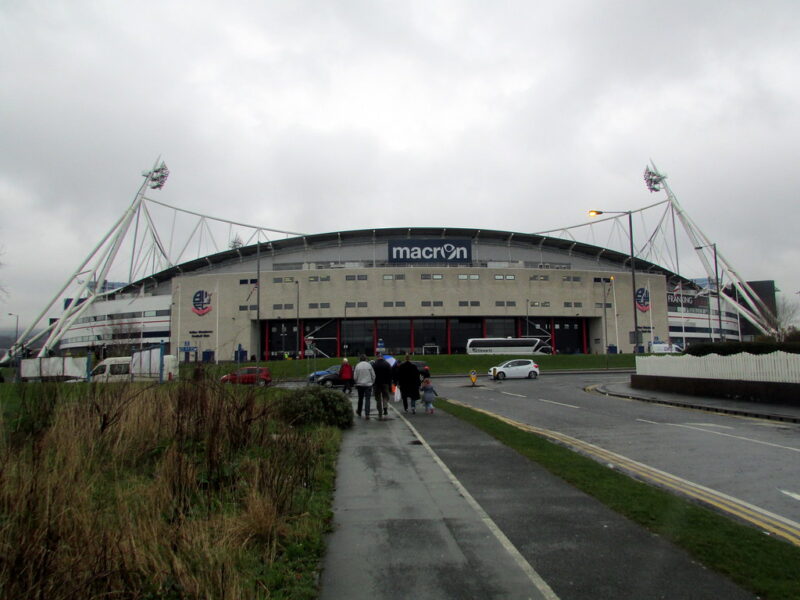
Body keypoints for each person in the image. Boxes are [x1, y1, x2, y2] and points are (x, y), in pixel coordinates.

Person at [371, 353, 393, 420]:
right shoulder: (387, 364)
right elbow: (390, 376)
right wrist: (390, 385)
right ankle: (385, 408)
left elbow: (372, 375)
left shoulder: (374, 365)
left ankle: (380, 412)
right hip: (385, 383)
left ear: (377, 357)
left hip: (377, 383)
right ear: (382, 357)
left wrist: (373, 383)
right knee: (385, 396)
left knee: (378, 398)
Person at [353, 354, 375, 419]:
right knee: (367, 399)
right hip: (368, 385)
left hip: (360, 385)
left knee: (360, 399)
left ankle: (359, 411)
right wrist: (372, 382)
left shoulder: (357, 366)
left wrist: (357, 382)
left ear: (360, 359)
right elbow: (373, 375)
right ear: (366, 359)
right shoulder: (369, 365)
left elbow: (355, 377)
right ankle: (367, 414)